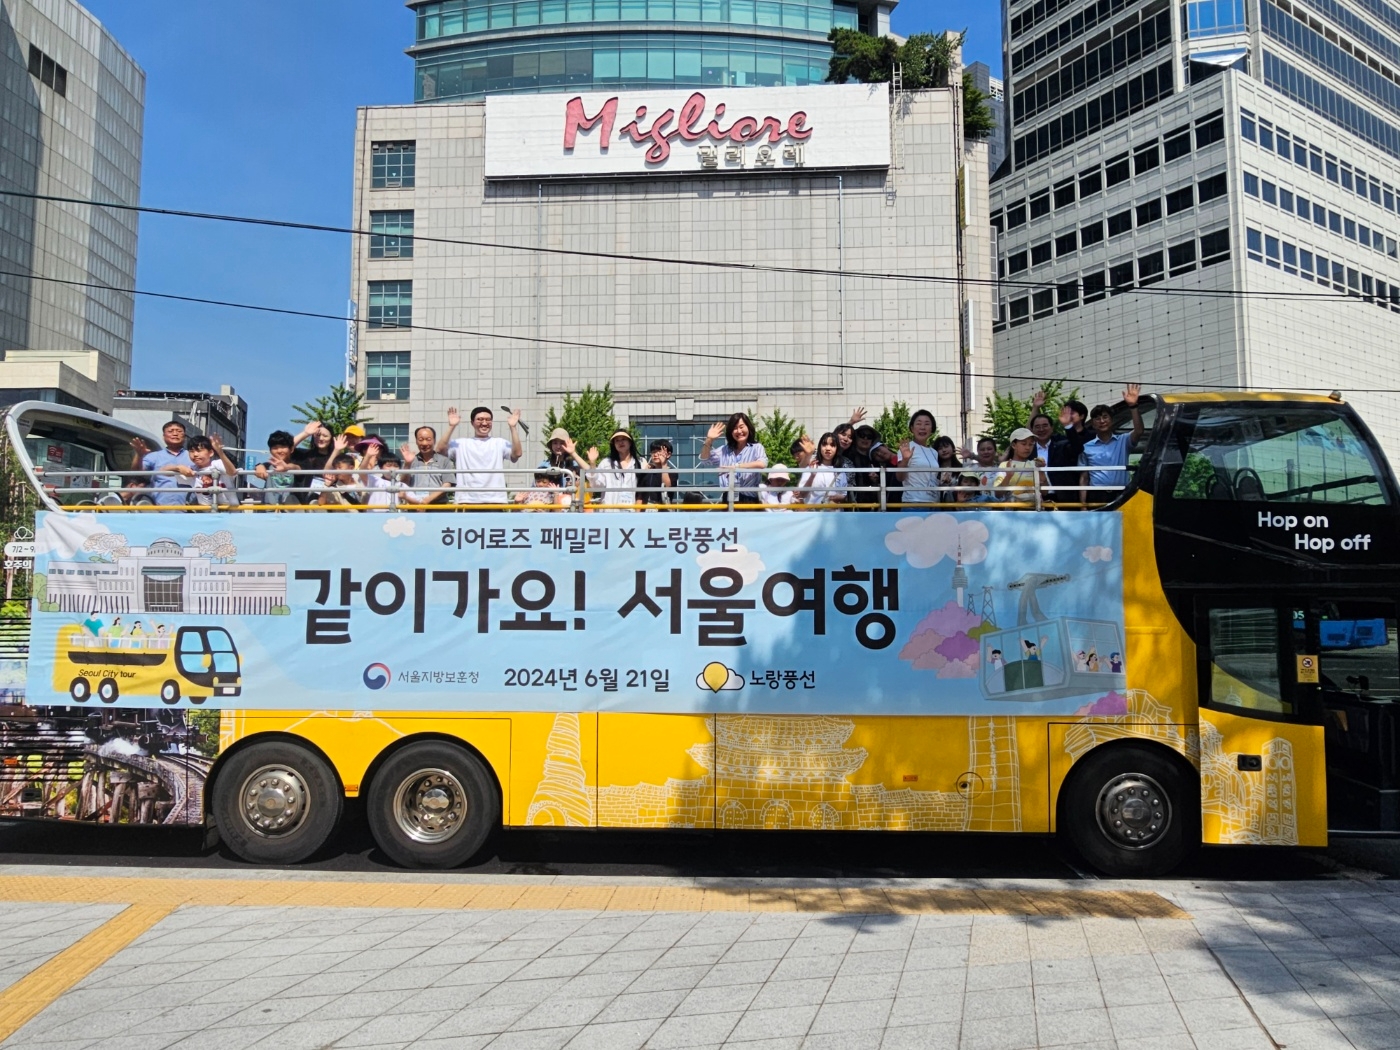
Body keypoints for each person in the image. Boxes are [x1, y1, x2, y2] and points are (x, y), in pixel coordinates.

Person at [437, 406, 523, 506]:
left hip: (495, 500)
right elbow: (439, 450)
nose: (484, 423)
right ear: (472, 422)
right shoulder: (461, 444)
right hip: (466, 500)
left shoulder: (499, 443)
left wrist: (513, 427)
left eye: (488, 420)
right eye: (480, 419)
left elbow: (517, 453)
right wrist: (451, 426)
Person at [1078, 385, 1145, 505]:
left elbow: (1139, 431)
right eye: (1097, 419)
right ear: (1093, 424)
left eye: (1105, 417)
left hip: (1122, 493)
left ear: (1112, 421)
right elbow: (1084, 477)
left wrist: (1133, 406)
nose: (1102, 421)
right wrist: (1083, 505)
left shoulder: (1123, 441)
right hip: (1097, 495)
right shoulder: (1086, 447)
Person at [699, 413, 767, 504]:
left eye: (741, 426)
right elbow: (704, 459)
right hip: (728, 497)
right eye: (735, 428)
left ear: (749, 428)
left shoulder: (756, 447)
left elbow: (762, 463)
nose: (739, 431)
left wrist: (736, 467)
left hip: (749, 498)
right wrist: (709, 440)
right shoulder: (724, 450)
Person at [360, 445, 448, 510]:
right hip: (375, 518)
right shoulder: (375, 481)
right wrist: (368, 456)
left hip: (395, 521)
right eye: (388, 465)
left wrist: (406, 497)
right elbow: (362, 471)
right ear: (381, 467)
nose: (392, 468)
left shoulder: (401, 485)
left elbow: (419, 503)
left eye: (395, 466)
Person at [130, 420, 192, 508]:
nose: (175, 434)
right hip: (160, 507)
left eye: (179, 431)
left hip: (190, 508)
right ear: (164, 436)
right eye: (170, 431)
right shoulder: (154, 456)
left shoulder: (193, 456)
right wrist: (139, 455)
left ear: (185, 437)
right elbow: (136, 473)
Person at [585, 430, 644, 508]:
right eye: (617, 441)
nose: (620, 442)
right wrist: (592, 463)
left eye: (623, 439)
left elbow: (643, 490)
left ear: (630, 442)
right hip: (609, 511)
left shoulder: (641, 462)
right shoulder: (606, 463)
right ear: (614, 445)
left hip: (631, 511)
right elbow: (596, 486)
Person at [398, 426, 455, 505]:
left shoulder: (444, 461)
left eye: (428, 439)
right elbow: (404, 485)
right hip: (415, 507)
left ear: (434, 441)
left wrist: (426, 501)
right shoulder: (411, 461)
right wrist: (407, 464)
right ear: (416, 441)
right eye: (421, 440)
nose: (424, 443)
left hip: (438, 507)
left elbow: (447, 485)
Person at [186, 436, 241, 509]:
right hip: (206, 514)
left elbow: (232, 472)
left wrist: (220, 452)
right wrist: (177, 467)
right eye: (192, 451)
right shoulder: (191, 470)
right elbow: (166, 469)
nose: (195, 454)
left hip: (230, 512)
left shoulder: (217, 464)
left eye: (199, 450)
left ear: (211, 453)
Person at [899, 409, 940, 505]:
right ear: (912, 428)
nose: (922, 427)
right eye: (918, 423)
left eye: (927, 424)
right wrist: (905, 460)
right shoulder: (906, 448)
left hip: (934, 502)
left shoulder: (934, 452)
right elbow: (900, 477)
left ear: (932, 429)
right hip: (914, 502)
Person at [995, 427, 1045, 504]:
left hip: (1034, 511)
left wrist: (1041, 471)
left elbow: (1045, 492)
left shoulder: (1036, 464)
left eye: (1031, 444)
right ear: (1014, 445)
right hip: (1012, 511)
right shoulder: (1004, 465)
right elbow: (998, 494)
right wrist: (1008, 476)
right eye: (1024, 444)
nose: (1028, 448)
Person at [796, 433, 848, 505]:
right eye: (824, 444)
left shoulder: (840, 472)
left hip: (834, 514)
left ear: (837, 449)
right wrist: (812, 476)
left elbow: (844, 494)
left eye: (832, 445)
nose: (828, 448)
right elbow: (802, 494)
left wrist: (839, 497)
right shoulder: (811, 467)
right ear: (819, 447)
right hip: (814, 514)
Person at [255, 431, 299, 506]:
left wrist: (287, 467)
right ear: (270, 451)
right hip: (268, 510)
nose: (279, 451)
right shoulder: (268, 466)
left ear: (291, 449)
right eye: (275, 448)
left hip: (292, 511)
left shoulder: (297, 465)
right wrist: (258, 466)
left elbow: (298, 468)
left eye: (283, 447)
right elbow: (259, 467)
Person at [637, 439, 678, 506]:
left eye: (659, 451)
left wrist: (663, 464)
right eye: (653, 452)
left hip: (662, 512)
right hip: (645, 512)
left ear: (668, 454)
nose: (655, 455)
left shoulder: (672, 472)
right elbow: (640, 496)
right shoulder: (647, 471)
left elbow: (667, 488)